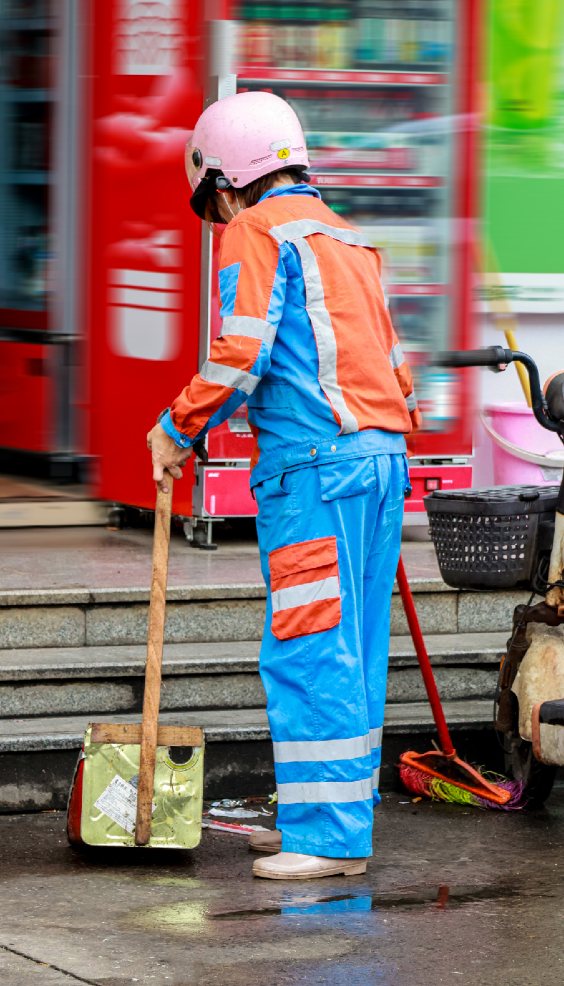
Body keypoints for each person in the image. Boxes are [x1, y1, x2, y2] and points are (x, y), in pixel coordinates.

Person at [147, 91, 421, 880]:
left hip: (314, 472)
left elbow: (240, 353)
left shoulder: (254, 231)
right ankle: (328, 815)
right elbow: (395, 366)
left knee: (309, 648)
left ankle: (327, 841)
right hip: (377, 463)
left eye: (215, 197)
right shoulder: (346, 236)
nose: (218, 211)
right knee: (356, 648)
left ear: (227, 179)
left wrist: (175, 429)